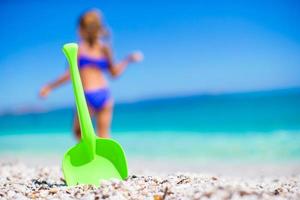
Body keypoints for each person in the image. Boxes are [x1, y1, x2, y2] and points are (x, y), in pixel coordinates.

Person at [39, 10, 143, 139]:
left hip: (87, 96)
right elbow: (114, 73)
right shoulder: (104, 48)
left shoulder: (78, 49)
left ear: (81, 29)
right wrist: (127, 59)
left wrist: (49, 86)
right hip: (105, 94)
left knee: (79, 133)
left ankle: (90, 158)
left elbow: (70, 75)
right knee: (104, 137)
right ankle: (101, 159)